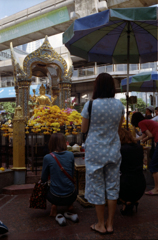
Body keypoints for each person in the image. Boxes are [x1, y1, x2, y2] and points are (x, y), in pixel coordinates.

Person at [81, 73, 124, 235]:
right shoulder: (119, 105)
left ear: (96, 86)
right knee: (113, 186)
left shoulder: (90, 105)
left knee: (97, 186)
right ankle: (110, 224)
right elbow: (119, 128)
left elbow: (83, 129)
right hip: (113, 149)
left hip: (95, 151)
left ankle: (100, 224)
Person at [41, 133, 78, 226]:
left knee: (44, 187)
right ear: (64, 143)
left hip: (54, 197)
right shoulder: (70, 155)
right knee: (71, 184)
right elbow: (72, 173)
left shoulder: (48, 157)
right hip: (72, 195)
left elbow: (43, 178)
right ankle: (70, 205)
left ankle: (54, 206)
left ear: (51, 143)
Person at [118, 128, 146, 215]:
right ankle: (133, 201)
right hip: (141, 184)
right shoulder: (139, 148)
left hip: (126, 184)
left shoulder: (121, 149)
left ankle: (126, 202)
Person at [131, 112, 158, 195]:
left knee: (153, 165)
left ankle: (156, 189)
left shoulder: (141, 123)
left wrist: (144, 140)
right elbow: (142, 136)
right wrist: (134, 140)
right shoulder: (146, 122)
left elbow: (149, 135)